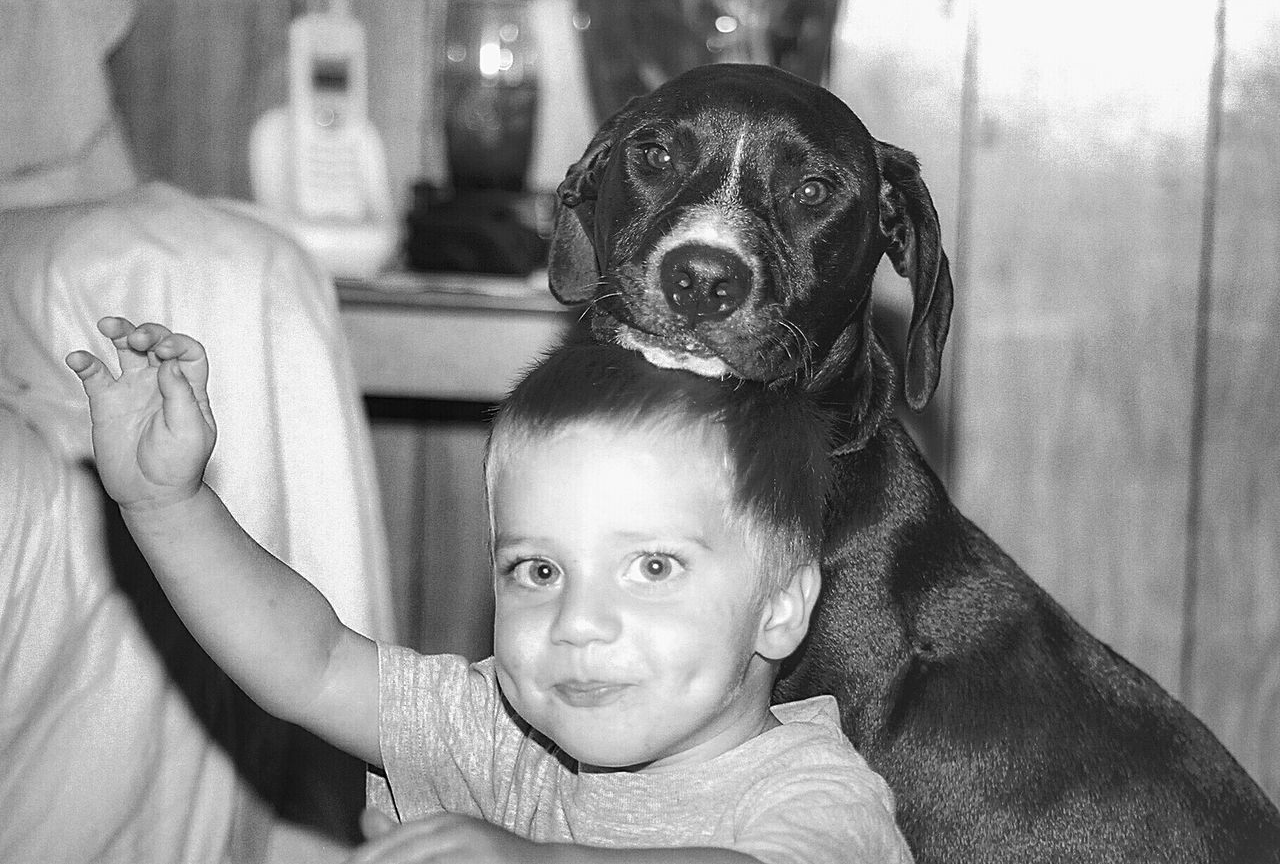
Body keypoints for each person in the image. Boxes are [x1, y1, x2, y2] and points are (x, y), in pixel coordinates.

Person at [65, 315, 915, 864]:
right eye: (538, 571)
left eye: (653, 567)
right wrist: (165, 505)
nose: (578, 622)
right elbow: (314, 663)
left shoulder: (816, 795)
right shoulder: (503, 734)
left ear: (780, 605)